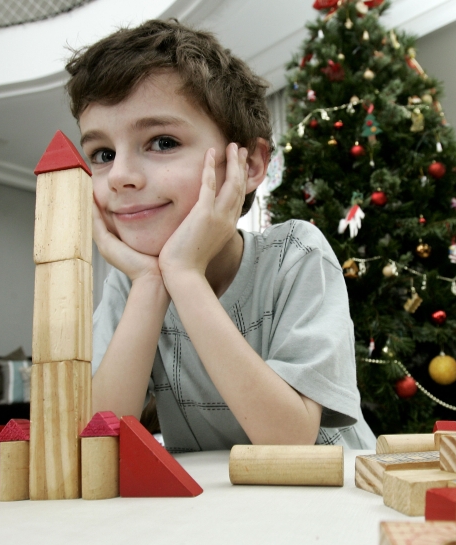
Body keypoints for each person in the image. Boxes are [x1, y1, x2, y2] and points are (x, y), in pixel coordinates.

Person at [65, 19, 375, 452]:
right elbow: (94, 443)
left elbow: (288, 442)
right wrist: (153, 283)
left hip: (335, 503)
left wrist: (185, 276)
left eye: (163, 142)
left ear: (247, 166)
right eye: (102, 154)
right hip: (224, 514)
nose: (120, 176)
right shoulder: (132, 284)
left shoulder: (294, 253)